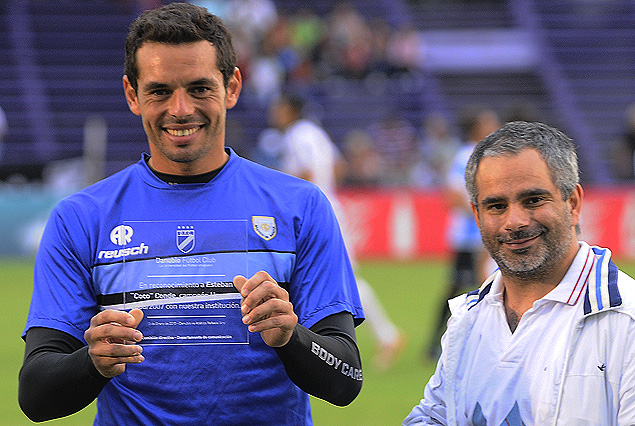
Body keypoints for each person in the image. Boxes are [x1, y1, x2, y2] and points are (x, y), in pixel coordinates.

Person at [18, 4, 364, 425]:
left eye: (200, 88)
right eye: (160, 91)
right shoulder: (81, 218)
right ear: (132, 95)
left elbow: (347, 378)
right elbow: (35, 394)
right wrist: (92, 361)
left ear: (232, 87)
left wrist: (292, 338)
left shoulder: (300, 207)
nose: (180, 109)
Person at [404, 121, 635, 425]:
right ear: (476, 215)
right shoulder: (467, 319)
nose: (514, 221)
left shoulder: (624, 321)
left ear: (573, 203)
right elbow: (432, 417)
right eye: (496, 206)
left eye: (533, 200)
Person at [267, 92, 406, 371]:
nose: (274, 114)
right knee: (333, 278)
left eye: (278, 108)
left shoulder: (295, 136)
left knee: (325, 278)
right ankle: (385, 336)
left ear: (289, 110)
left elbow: (304, 174)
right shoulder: (316, 133)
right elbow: (338, 166)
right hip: (330, 207)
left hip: (311, 215)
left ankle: (382, 336)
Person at [426, 106, 500, 359]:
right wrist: (485, 213)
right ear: (476, 129)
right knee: (464, 286)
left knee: (483, 285)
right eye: (488, 123)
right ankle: (438, 342)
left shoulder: (485, 155)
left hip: (481, 234)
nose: (494, 127)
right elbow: (454, 196)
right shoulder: (467, 156)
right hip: (469, 236)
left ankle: (477, 342)